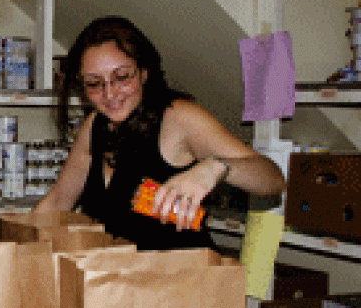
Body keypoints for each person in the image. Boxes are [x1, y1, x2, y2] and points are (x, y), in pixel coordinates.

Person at [34, 16, 285, 250]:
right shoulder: (95, 126)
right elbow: (58, 202)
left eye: (121, 77)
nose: (109, 94)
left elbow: (273, 179)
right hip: (120, 285)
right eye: (93, 83)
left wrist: (215, 168)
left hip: (180, 286)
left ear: (144, 72)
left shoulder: (179, 117)